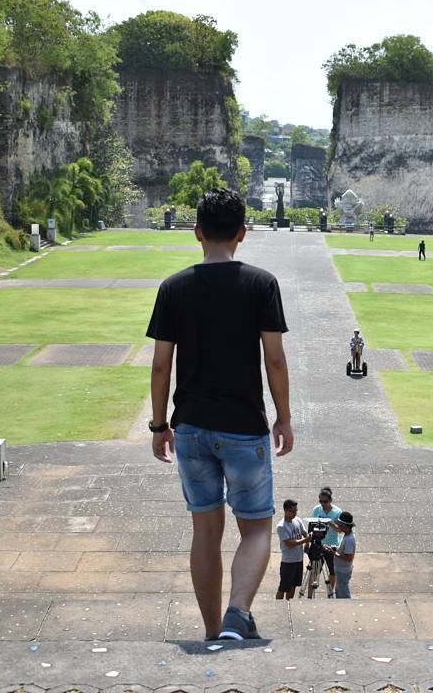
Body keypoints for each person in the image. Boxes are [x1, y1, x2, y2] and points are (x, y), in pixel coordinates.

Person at [147, 187, 294, 641]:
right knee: (256, 528)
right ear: (242, 233)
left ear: (197, 232)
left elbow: (161, 364)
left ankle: (214, 632)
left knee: (205, 532)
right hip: (244, 426)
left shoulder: (173, 288)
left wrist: (159, 425)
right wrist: (284, 417)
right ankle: (237, 614)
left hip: (190, 427)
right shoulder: (260, 284)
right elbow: (274, 359)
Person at [310, 487, 342, 596]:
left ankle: (330, 593)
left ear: (330, 500)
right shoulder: (317, 509)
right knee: (314, 572)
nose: (323, 504)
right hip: (318, 545)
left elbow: (340, 530)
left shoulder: (337, 511)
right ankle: (310, 596)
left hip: (331, 545)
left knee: (332, 571)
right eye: (321, 501)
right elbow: (311, 525)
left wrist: (329, 523)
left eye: (325, 501)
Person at [275, 499, 308, 600]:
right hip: (288, 561)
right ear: (286, 510)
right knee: (283, 587)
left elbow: (304, 533)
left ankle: (289, 603)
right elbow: (289, 544)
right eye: (292, 511)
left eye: (295, 511)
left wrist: (308, 542)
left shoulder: (297, 520)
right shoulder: (281, 526)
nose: (295, 513)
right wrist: (305, 540)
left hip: (298, 560)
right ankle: (278, 605)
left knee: (293, 585)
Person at [331, 511, 357, 598]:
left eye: (340, 525)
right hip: (341, 569)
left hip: (343, 570)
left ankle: (347, 605)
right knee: (339, 590)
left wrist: (335, 553)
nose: (338, 527)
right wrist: (335, 549)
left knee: (343, 593)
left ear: (345, 526)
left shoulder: (349, 540)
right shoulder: (347, 535)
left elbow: (349, 558)